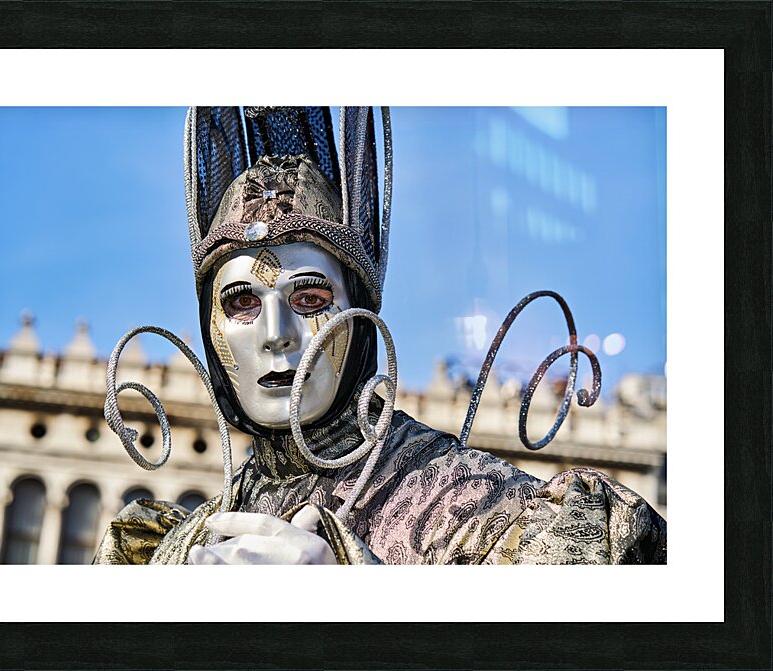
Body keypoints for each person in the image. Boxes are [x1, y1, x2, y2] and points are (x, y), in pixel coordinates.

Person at [93, 107, 666, 565]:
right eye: (242, 302)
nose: (278, 335)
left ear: (359, 313)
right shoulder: (165, 552)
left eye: (311, 299)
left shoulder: (468, 506)